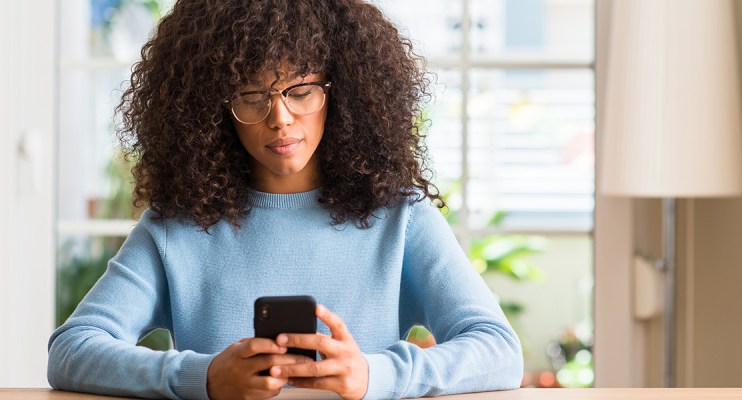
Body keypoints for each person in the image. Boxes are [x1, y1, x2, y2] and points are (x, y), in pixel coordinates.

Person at [47, 0, 524, 399]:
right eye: (252, 95)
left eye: (301, 90)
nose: (280, 117)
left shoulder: (399, 217)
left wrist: (375, 375)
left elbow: (498, 349)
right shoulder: (177, 226)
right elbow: (71, 350)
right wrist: (202, 376)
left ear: (341, 93)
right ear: (214, 109)